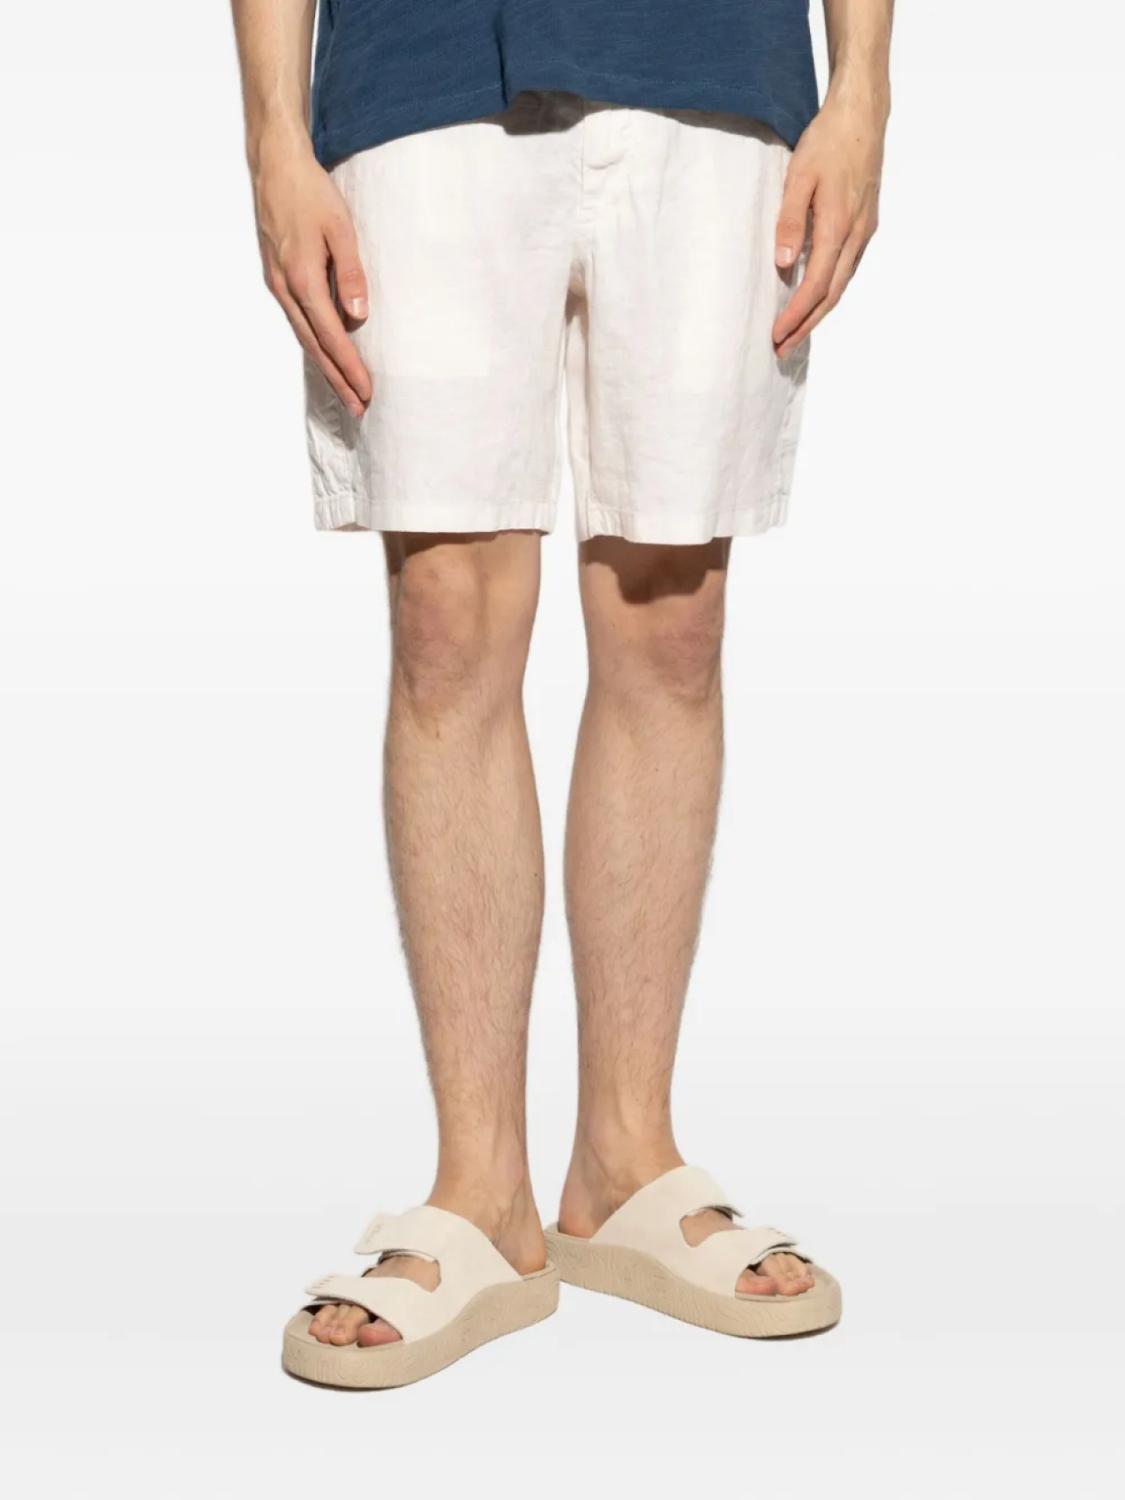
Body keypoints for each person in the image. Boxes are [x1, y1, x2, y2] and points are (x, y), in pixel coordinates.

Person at [231, 0, 893, 1389]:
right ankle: (481, 1193)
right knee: (448, 617)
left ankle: (623, 1165)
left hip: (716, 70)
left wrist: (865, 86)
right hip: (420, 71)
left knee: (672, 616)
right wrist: (273, 135)